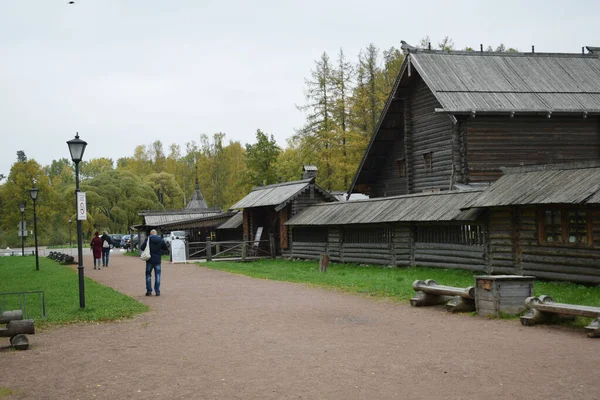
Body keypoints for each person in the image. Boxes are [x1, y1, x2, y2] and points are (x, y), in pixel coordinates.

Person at [140, 229, 168, 296]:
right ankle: (157, 291)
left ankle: (149, 291)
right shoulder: (160, 239)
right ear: (156, 233)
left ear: (150, 233)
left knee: (148, 275)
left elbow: (142, 247)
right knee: (157, 276)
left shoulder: (148, 239)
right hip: (157, 260)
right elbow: (166, 248)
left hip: (149, 260)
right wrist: (160, 251)